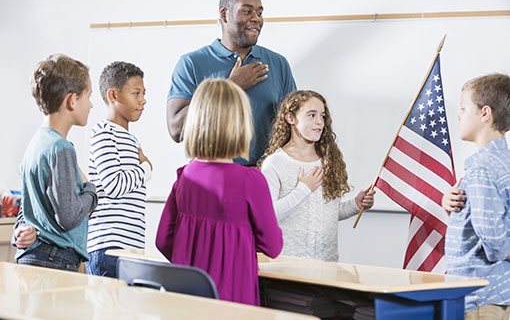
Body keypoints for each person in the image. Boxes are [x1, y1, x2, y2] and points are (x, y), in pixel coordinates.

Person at [156, 78, 283, 305]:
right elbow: (273, 246)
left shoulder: (184, 177)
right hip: (232, 301)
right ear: (241, 124)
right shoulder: (251, 180)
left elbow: (163, 240)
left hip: (187, 302)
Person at [166, 0, 296, 166]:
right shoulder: (191, 64)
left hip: (266, 180)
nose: (256, 19)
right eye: (247, 11)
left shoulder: (278, 64)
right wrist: (230, 87)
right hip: (212, 181)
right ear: (224, 14)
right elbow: (176, 130)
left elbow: (293, 127)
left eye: (259, 13)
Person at [259, 90, 375, 262]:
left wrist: (355, 205)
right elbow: (268, 215)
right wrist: (303, 189)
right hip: (287, 265)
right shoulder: (275, 163)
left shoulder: (328, 160)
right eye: (311, 115)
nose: (319, 122)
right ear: (290, 118)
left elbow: (326, 212)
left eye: (322, 116)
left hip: (327, 263)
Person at [14, 54, 98, 271]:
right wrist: (91, 191)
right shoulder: (61, 149)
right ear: (72, 100)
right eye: (88, 96)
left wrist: (20, 232)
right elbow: (68, 217)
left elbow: (27, 210)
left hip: (33, 255)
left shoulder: (36, 144)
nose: (91, 105)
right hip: (54, 258)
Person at [443, 73, 510, 320]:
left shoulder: (483, 168)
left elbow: (495, 241)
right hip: (495, 295)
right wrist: (454, 208)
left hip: (482, 298)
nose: (459, 115)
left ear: (485, 113)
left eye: (463, 108)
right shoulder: (500, 162)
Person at [86, 61, 152, 277]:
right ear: (113, 95)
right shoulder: (104, 133)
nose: (143, 100)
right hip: (108, 248)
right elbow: (114, 185)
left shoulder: (130, 139)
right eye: (136, 93)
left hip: (130, 249)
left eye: (143, 93)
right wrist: (146, 169)